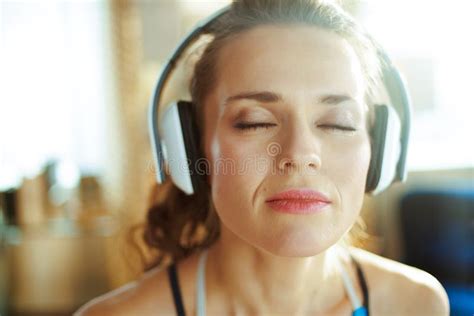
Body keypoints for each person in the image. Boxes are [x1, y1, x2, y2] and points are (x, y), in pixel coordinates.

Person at [76, 0, 449, 315]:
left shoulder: (415, 304)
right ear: (190, 147)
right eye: (255, 122)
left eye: (338, 123)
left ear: (379, 151)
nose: (301, 154)